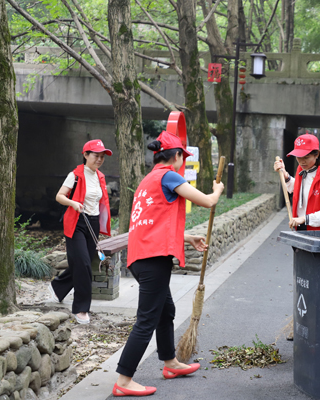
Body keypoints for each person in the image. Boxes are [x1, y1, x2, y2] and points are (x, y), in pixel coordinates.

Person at [112, 131, 224, 397]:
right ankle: (124, 380)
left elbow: (153, 222)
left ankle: (170, 363)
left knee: (166, 310)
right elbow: (207, 201)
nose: (181, 161)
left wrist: (186, 237)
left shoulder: (148, 180)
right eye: (181, 157)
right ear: (176, 156)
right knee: (147, 319)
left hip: (141, 257)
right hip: (152, 259)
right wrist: (217, 189)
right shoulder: (169, 175)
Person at [49, 140, 113, 325]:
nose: (99, 159)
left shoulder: (100, 176)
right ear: (85, 155)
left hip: (91, 222)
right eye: (96, 155)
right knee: (84, 263)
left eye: (102, 156)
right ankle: (81, 308)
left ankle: (58, 286)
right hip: (77, 221)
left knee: (82, 262)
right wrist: (73, 203)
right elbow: (59, 196)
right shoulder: (75, 175)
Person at [273, 133, 320, 231]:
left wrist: (304, 219)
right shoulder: (301, 169)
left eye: (306, 157)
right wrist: (284, 174)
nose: (301, 161)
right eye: (298, 157)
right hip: (301, 226)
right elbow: (298, 189)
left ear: (316, 155)